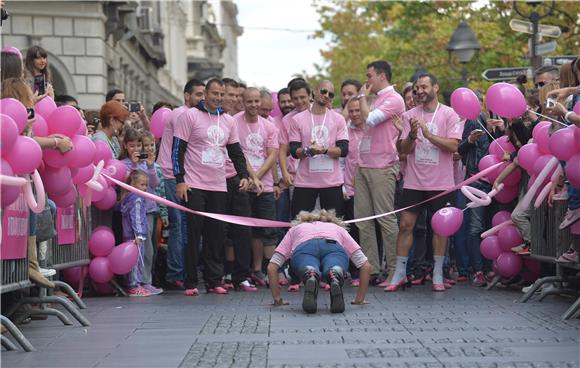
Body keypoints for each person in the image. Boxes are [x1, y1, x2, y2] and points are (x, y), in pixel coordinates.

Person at [173, 78, 251, 295]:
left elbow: (236, 152)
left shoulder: (228, 121)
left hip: (219, 185)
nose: (217, 97)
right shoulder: (190, 116)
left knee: (215, 235)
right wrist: (180, 180)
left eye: (221, 94)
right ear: (205, 93)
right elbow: (177, 150)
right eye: (214, 93)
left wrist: (243, 175)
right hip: (194, 183)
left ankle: (213, 280)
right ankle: (190, 282)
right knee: (194, 234)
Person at [389, 73, 462, 292]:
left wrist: (428, 134)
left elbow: (453, 146)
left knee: (440, 229)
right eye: (416, 88)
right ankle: (400, 273)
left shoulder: (450, 114)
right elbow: (402, 151)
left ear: (435, 87)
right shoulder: (409, 114)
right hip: (414, 182)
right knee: (405, 226)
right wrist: (412, 134)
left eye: (423, 87)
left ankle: (438, 273)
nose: (419, 91)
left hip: (441, 183)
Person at [354, 60, 405, 283]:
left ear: (382, 76)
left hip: (383, 166)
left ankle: (395, 270)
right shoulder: (377, 98)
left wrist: (361, 98)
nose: (367, 81)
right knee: (363, 220)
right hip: (364, 164)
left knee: (385, 219)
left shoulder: (394, 98)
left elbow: (370, 119)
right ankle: (372, 269)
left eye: (369, 76)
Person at [267, 210, 371, 314]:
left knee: (307, 263)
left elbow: (272, 267)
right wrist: (359, 299)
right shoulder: (338, 228)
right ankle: (334, 273)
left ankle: (310, 272)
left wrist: (277, 299)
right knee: (335, 262)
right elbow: (365, 265)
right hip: (333, 246)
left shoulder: (296, 229)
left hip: (304, 248)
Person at [157, 78, 205, 289]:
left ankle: (187, 271)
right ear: (187, 96)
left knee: (188, 226)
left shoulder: (195, 115)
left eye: (204, 94)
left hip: (186, 176)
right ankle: (176, 273)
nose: (202, 99)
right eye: (198, 94)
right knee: (179, 225)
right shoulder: (182, 114)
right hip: (172, 175)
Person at [235, 88, 279, 288]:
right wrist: (251, 177)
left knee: (268, 231)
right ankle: (248, 271)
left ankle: (268, 270)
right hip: (244, 183)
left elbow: (272, 155)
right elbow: (238, 153)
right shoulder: (234, 122)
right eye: (249, 101)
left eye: (256, 101)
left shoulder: (269, 126)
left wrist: (258, 177)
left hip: (265, 186)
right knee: (245, 231)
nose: (253, 105)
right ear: (242, 102)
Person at [289, 80, 349, 218]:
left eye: (331, 94)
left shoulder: (338, 119)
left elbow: (344, 150)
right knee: (299, 224)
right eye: (323, 91)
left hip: (331, 182)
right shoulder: (297, 119)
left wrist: (324, 151)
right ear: (314, 92)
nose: (327, 95)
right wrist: (309, 151)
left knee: (334, 225)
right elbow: (294, 151)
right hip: (305, 183)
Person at [121, 170, 154, 297]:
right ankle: (134, 286)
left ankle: (134, 284)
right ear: (133, 183)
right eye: (142, 185)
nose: (145, 188)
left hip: (130, 235)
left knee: (132, 261)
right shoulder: (137, 199)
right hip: (135, 237)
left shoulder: (129, 198)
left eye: (146, 185)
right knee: (136, 262)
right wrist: (139, 234)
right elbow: (137, 218)